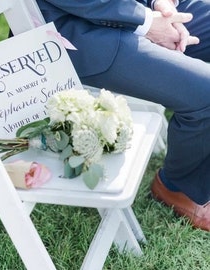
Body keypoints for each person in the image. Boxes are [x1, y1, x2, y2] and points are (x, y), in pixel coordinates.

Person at [35, 0, 210, 231]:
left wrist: (162, 4)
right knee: (205, 92)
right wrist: (147, 22)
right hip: (78, 28)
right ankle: (179, 187)